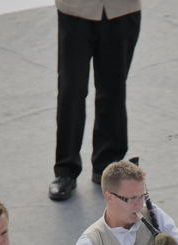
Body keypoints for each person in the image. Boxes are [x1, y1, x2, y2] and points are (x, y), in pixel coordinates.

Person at [48, 0, 141, 201]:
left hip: (122, 9)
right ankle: (65, 170)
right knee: (71, 89)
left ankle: (107, 165)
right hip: (76, 10)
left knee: (114, 89)